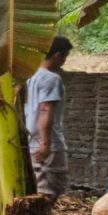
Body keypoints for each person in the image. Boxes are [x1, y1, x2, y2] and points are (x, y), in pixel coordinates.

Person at [24, 36, 72, 198]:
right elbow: (45, 109)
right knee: (52, 188)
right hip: (48, 142)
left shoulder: (30, 77)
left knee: (36, 183)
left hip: (31, 138)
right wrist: (46, 144)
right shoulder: (51, 79)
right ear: (58, 55)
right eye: (65, 57)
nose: (64, 61)